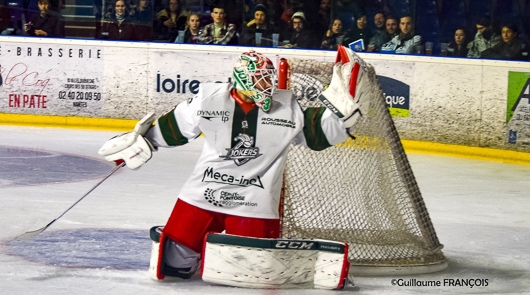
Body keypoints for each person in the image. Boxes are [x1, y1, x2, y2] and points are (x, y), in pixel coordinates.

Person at [98, 48, 367, 286]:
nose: (267, 85)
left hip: (254, 202)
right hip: (202, 195)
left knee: (250, 274)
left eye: (268, 78)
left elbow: (319, 134)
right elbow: (175, 129)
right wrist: (144, 142)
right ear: (242, 79)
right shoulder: (208, 97)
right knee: (173, 265)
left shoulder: (288, 108)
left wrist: (343, 118)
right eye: (260, 79)